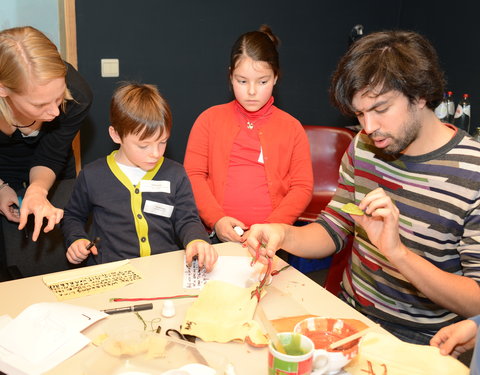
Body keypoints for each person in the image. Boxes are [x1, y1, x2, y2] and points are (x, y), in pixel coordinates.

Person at [245, 30, 480, 345]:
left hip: (424, 342)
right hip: (347, 318)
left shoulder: (473, 173)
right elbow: (335, 226)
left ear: (421, 94)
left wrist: (397, 253)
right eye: (359, 113)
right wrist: (284, 235)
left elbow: (476, 302)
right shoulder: (365, 146)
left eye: (381, 109)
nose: (369, 128)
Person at [62, 83, 218, 271]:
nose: (155, 153)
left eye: (162, 142)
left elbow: (187, 219)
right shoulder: (93, 175)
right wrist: (77, 238)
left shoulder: (175, 173)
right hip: (113, 271)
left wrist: (196, 239)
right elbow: (72, 216)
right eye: (143, 146)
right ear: (116, 135)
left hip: (163, 269)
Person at [184, 25, 313, 243]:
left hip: (273, 240)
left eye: (262, 81)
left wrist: (273, 227)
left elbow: (302, 186)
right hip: (217, 236)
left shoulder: (292, 127)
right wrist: (217, 219)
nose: (251, 91)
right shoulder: (208, 120)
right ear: (230, 76)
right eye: (242, 81)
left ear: (275, 78)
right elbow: (193, 175)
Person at [0, 26, 92, 277]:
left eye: (58, 97)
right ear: (3, 89)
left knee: (56, 264)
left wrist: (37, 191)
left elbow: (51, 153)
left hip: (51, 171)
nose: (54, 113)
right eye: (40, 104)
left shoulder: (78, 95)